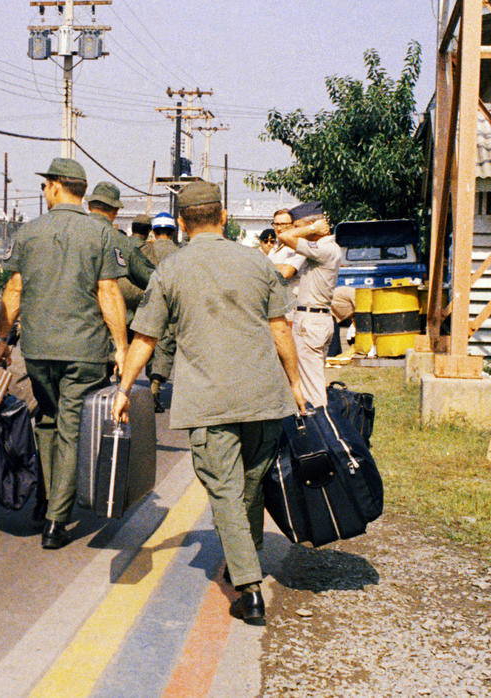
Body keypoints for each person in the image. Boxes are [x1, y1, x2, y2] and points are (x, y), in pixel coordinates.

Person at [111, 181, 305, 625]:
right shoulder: (257, 262)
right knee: (248, 485)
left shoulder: (171, 272)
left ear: (181, 223)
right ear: (223, 216)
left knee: (225, 492)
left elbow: (145, 338)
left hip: (212, 404)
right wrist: (295, 384)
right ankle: (247, 555)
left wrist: (123, 390)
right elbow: (280, 329)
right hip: (264, 398)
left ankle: (250, 589)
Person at [0, 157, 129, 550]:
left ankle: (47, 501)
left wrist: (3, 340)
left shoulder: (30, 232)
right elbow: (109, 294)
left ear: (54, 186)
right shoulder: (100, 234)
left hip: (38, 349)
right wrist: (120, 347)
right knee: (71, 426)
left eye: (44, 185)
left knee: (48, 420)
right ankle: (57, 520)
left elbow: (13, 291)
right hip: (84, 351)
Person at [277, 203, 341, 407]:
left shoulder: (324, 248)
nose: (296, 231)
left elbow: (285, 238)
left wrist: (312, 229)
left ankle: (321, 432)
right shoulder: (322, 249)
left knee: (312, 390)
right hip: (314, 319)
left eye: (298, 226)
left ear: (313, 224)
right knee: (310, 381)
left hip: (311, 321)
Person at [86, 181, 155, 329]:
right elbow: (150, 278)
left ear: (89, 206)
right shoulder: (120, 242)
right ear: (115, 211)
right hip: (102, 328)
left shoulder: (67, 234)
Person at [141, 213, 180, 412]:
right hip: (171, 305)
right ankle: (156, 385)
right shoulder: (181, 252)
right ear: (173, 232)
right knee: (165, 346)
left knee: (147, 342)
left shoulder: (144, 250)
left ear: (153, 232)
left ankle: (148, 382)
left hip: (147, 304)